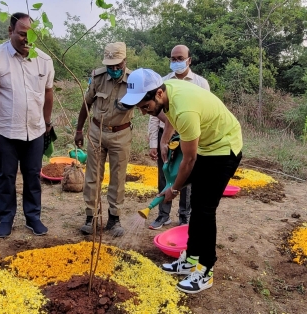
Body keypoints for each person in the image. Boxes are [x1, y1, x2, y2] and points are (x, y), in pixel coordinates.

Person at [120, 68, 242, 294]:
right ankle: (190, 259)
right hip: (208, 146)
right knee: (197, 207)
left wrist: (174, 189)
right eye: (139, 109)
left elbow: (189, 159)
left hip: (224, 149)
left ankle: (205, 270)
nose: (144, 112)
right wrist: (171, 180)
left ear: (158, 94)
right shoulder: (168, 92)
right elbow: (170, 124)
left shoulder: (184, 108)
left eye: (145, 107)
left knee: (205, 210)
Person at [0, 12, 55, 238]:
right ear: (10, 31)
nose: (27, 40)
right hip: (5, 131)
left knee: (33, 175)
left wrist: (47, 122)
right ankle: (6, 218)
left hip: (35, 130)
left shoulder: (45, 60)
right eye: (22, 34)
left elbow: (48, 93)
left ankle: (33, 217)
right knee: (6, 176)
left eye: (31, 35)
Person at [74, 42, 133, 237]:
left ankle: (114, 219)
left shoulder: (134, 81)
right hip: (96, 132)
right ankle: (91, 217)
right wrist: (79, 130)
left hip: (121, 134)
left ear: (125, 61)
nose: (114, 69)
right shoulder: (98, 77)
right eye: (111, 66)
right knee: (92, 176)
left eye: (118, 65)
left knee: (117, 178)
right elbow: (86, 103)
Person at [148, 44, 210, 230]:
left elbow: (205, 112)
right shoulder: (162, 82)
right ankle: (163, 215)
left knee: (187, 174)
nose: (176, 62)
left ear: (189, 60)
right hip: (165, 135)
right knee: (164, 174)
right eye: (173, 59)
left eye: (180, 58)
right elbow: (154, 113)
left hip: (189, 135)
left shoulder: (201, 83)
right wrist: (154, 143)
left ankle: (184, 216)